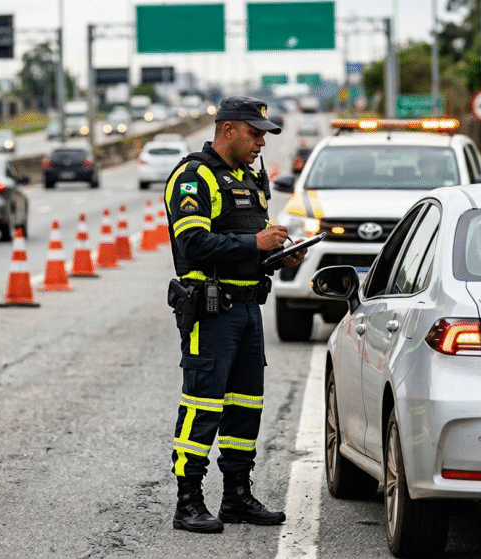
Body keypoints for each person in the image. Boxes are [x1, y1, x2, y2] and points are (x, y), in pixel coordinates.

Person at [164, 96, 306, 534]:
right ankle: (188, 502)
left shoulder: (251, 178)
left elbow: (247, 246)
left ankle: (237, 497)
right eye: (255, 132)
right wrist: (255, 245)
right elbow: (193, 244)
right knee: (202, 405)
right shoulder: (194, 176)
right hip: (211, 311)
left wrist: (277, 257)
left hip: (248, 309)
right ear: (227, 129)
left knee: (246, 407)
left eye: (264, 133)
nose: (262, 141)